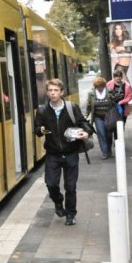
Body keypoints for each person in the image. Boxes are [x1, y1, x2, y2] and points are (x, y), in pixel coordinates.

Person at [34, 78, 93, 226]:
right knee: (51, 184)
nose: (53, 93)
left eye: (56, 90)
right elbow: (37, 129)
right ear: (47, 93)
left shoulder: (72, 108)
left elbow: (84, 123)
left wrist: (86, 132)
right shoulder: (42, 111)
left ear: (61, 92)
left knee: (70, 187)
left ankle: (71, 214)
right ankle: (58, 201)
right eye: (50, 91)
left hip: (71, 153)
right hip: (53, 154)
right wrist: (40, 130)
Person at [85, 76, 113, 159]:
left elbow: (114, 102)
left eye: (101, 86)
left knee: (108, 134)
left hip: (109, 116)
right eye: (97, 87)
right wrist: (86, 115)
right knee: (101, 134)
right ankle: (105, 152)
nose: (99, 88)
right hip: (98, 117)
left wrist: (113, 98)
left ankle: (109, 149)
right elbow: (89, 105)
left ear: (104, 85)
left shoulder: (109, 91)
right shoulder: (91, 93)